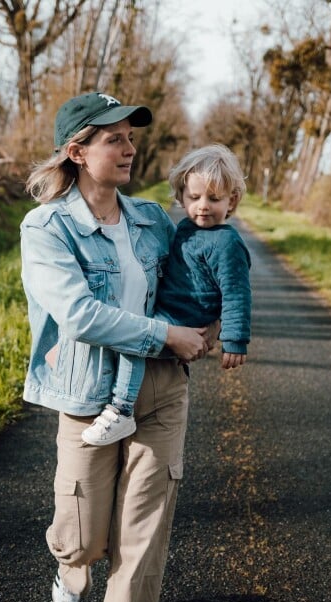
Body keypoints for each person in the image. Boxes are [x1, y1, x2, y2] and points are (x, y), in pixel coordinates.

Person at [20, 91, 215, 602]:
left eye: (131, 136)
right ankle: (69, 568)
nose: (129, 147)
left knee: (142, 544)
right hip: (86, 397)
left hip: (161, 394)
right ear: (77, 152)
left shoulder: (154, 218)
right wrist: (165, 332)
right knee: (82, 538)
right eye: (114, 138)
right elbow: (78, 314)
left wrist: (217, 326)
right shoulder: (46, 228)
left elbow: (200, 272)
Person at [82, 143, 252, 446]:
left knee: (136, 339)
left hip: (187, 315)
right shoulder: (186, 228)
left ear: (232, 200)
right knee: (134, 331)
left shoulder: (227, 244)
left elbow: (236, 293)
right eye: (194, 197)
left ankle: (121, 409)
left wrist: (234, 340)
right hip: (170, 307)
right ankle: (121, 401)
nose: (203, 206)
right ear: (180, 197)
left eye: (214, 199)